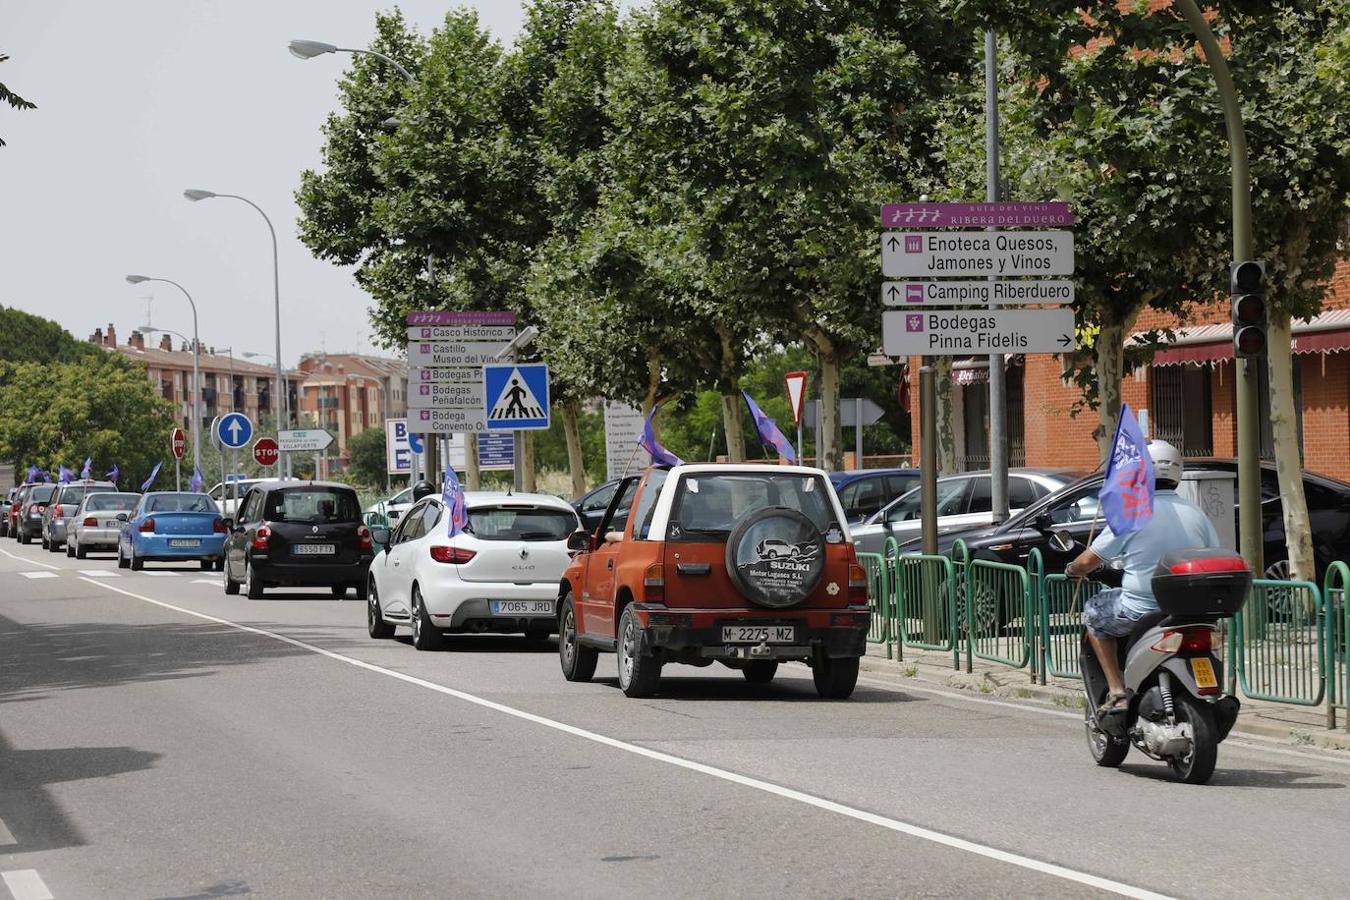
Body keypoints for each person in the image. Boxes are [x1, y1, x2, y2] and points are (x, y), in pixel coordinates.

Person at [1065, 440, 1221, 718]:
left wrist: (1073, 570)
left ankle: (1117, 692)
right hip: (1190, 610)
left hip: (1140, 609)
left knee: (1092, 613)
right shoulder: (1197, 513)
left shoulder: (1132, 512)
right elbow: (1214, 553)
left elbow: (1089, 560)